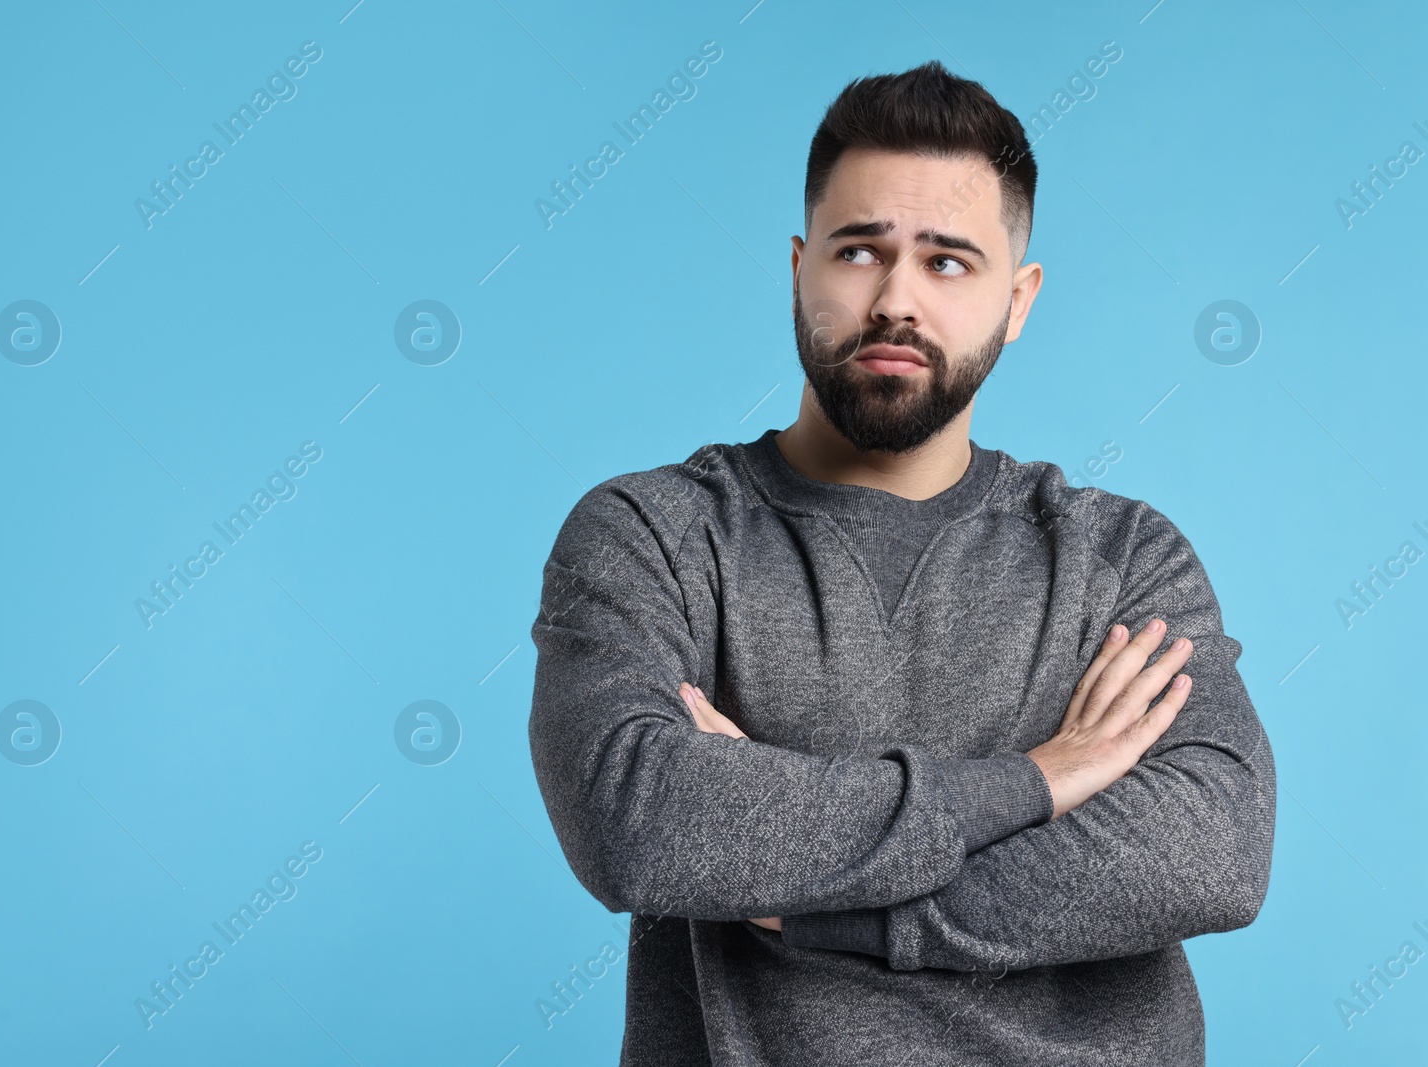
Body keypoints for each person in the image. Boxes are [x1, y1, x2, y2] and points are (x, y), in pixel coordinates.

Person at [527, 60, 1275, 1066]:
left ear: (1018, 297)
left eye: (948, 261)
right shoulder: (655, 534)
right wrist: (1032, 781)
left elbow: (1210, 850)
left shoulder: (1119, 556)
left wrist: (828, 906)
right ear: (799, 267)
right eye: (857, 251)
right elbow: (637, 820)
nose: (894, 300)